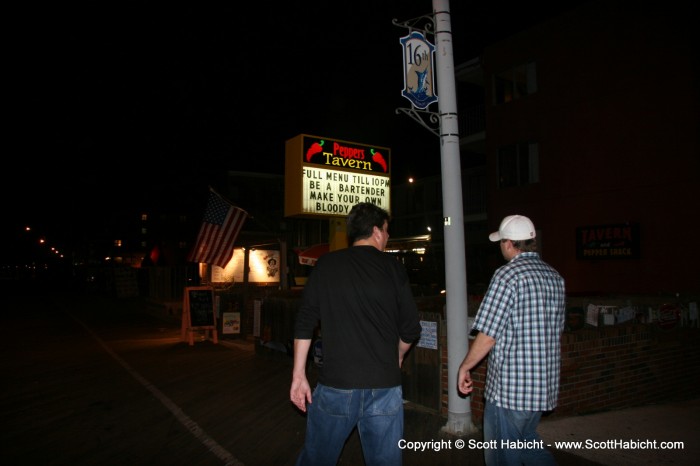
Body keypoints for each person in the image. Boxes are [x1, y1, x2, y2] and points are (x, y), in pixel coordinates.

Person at [290, 202, 422, 466]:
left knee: (317, 459)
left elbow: (305, 322)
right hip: (385, 386)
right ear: (376, 231)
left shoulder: (326, 264)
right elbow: (411, 328)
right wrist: (396, 356)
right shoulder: (393, 267)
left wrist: (298, 376)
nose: (387, 237)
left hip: (336, 384)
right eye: (386, 231)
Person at [457, 215, 565, 465]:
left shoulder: (508, 276)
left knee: (502, 457)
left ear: (508, 243)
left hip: (511, 392)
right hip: (541, 390)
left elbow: (488, 334)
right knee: (527, 444)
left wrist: (465, 366)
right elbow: (556, 329)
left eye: (501, 241)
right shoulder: (554, 277)